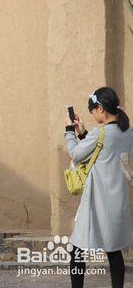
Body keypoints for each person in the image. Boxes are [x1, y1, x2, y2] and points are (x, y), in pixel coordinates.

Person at [64, 87, 132, 288]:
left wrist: (70, 131)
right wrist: (84, 133)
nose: (92, 114)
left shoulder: (99, 133)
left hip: (96, 202)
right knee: (114, 251)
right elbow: (104, 153)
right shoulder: (127, 133)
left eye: (93, 110)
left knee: (77, 250)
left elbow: (76, 154)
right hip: (117, 203)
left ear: (101, 109)